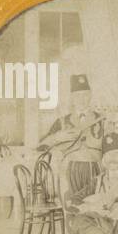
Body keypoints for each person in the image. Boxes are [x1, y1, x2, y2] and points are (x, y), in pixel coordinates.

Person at [39, 73, 103, 204]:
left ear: (90, 95)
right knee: (72, 209)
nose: (82, 99)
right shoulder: (61, 122)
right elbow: (41, 146)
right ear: (72, 98)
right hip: (69, 172)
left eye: (85, 94)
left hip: (96, 171)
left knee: (94, 210)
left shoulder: (102, 120)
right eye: (78, 95)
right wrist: (57, 137)